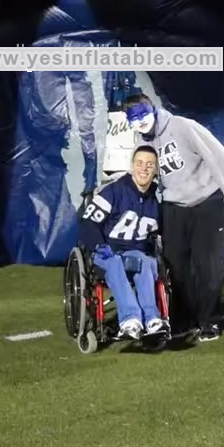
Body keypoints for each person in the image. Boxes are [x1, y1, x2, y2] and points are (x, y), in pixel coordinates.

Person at [123, 93, 224, 342]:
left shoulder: (182, 126)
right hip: (174, 207)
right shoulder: (142, 143)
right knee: (175, 268)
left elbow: (217, 154)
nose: (140, 121)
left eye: (143, 114)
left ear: (152, 109)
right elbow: (143, 177)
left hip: (207, 202)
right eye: (134, 118)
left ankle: (208, 322)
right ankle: (184, 321)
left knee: (207, 265)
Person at [77, 145, 169, 340]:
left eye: (150, 165)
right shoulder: (114, 191)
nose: (144, 168)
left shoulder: (157, 200)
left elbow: (161, 234)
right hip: (107, 252)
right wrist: (99, 246)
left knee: (145, 261)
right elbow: (88, 222)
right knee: (116, 262)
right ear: (132, 166)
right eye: (140, 163)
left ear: (155, 170)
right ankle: (130, 320)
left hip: (134, 254)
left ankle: (152, 319)